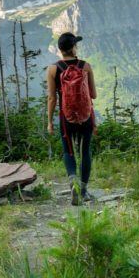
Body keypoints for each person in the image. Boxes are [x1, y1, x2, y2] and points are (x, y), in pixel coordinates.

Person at [47, 32, 98, 205]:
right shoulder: (86, 66)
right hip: (86, 117)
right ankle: (83, 192)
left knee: (68, 151)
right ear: (73, 48)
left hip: (66, 118)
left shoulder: (53, 69)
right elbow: (94, 95)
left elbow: (52, 98)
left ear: (60, 50)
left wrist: (49, 122)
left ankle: (73, 183)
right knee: (85, 152)